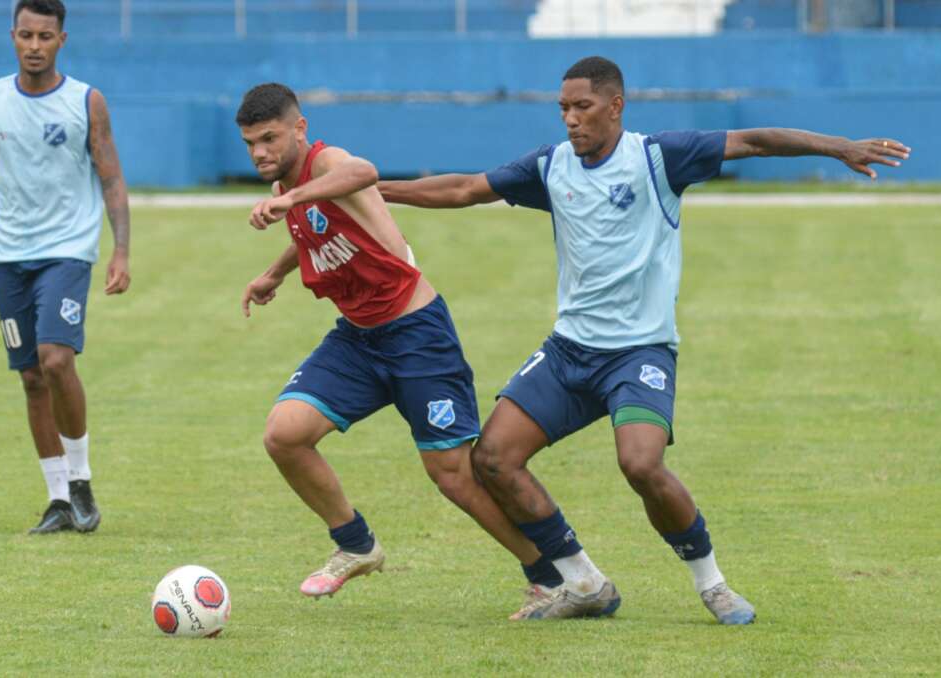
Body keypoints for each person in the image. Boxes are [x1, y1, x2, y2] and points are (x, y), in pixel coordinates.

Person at [378, 55, 911, 622]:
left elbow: (753, 141)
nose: (570, 120)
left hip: (639, 352)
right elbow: (464, 188)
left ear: (615, 106)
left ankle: (713, 585)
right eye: (563, 108)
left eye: (582, 107)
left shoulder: (658, 157)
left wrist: (838, 147)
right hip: (568, 352)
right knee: (493, 459)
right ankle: (584, 583)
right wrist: (371, 188)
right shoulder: (550, 166)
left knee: (641, 465)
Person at [235, 83, 562, 604]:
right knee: (284, 435)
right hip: (359, 341)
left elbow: (361, 172)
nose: (259, 153)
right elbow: (314, 230)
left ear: (300, 128)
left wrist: (293, 196)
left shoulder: (323, 165)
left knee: (454, 476)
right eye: (251, 143)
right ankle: (355, 544)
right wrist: (273, 273)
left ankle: (547, 573)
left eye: (270, 138)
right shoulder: (290, 186)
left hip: (416, 334)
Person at [0, 0, 131, 534]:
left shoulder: (85, 101)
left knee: (54, 359)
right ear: (12, 36)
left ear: (61, 41)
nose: (33, 46)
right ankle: (57, 500)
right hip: (6, 256)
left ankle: (80, 481)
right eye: (25, 35)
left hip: (67, 250)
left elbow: (111, 176)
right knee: (29, 377)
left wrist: (120, 250)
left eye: (44, 37)